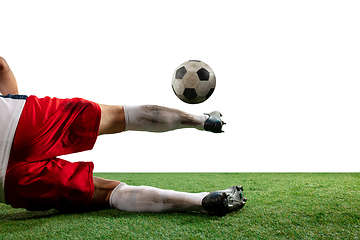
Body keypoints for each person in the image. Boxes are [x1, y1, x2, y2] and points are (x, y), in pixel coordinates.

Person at [0, 56, 246, 216]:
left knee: (108, 193)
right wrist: (14, 113)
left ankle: (202, 201)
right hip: (17, 120)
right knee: (120, 117)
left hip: (6, 182)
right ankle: (204, 120)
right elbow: (1, 65)